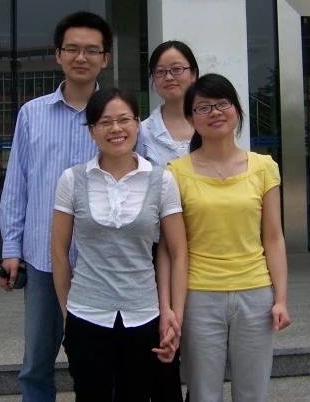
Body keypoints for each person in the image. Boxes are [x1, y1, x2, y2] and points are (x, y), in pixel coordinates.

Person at [0, 11, 112, 401]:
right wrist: (10, 249)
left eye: (92, 50)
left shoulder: (118, 116)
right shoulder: (32, 114)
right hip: (44, 260)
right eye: (73, 49)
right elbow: (17, 185)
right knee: (36, 364)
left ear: (105, 58)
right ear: (58, 55)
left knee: (99, 363)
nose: (82, 57)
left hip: (102, 263)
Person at [51, 88, 188, 402]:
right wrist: (67, 312)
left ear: (137, 125)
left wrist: (173, 315)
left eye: (124, 119)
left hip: (143, 315)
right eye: (105, 122)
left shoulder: (161, 180)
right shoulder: (71, 180)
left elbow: (178, 252)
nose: (116, 129)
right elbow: (59, 252)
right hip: (86, 314)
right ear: (91, 131)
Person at [166, 73, 291, 402]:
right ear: (191, 119)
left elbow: (274, 238)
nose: (215, 112)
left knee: (252, 392)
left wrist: (280, 298)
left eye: (223, 103)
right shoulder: (175, 172)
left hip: (256, 295)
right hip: (199, 296)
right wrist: (174, 309)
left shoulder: (264, 167)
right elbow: (172, 250)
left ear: (237, 110)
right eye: (204, 107)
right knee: (204, 394)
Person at [139, 40, 199, 402]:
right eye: (160, 71)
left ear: (194, 74)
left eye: (178, 69)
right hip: (157, 252)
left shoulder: (212, 122)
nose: (169, 77)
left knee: (202, 344)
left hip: (207, 248)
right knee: (164, 341)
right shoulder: (142, 132)